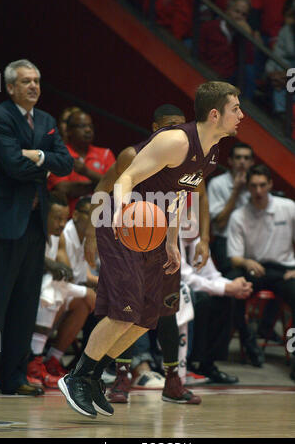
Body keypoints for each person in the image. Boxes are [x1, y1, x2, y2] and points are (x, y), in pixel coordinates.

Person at [58, 80, 244, 418]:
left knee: (147, 317)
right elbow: (126, 179)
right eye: (236, 108)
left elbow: (175, 195)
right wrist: (121, 215)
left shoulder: (212, 153)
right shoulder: (175, 140)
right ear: (215, 114)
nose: (241, 115)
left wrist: (171, 240)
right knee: (125, 309)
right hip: (122, 222)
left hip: (154, 229)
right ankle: (77, 377)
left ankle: (96, 376)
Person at [96, 104, 209, 405]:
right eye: (170, 126)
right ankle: (122, 375)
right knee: (127, 311)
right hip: (131, 241)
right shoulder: (132, 156)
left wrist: (205, 238)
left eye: (181, 126)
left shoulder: (186, 157)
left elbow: (198, 194)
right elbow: (104, 188)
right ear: (155, 128)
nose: (177, 132)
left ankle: (173, 381)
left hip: (164, 242)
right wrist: (90, 235)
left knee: (167, 310)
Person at [0, 59, 73, 396]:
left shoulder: (46, 120)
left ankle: (15, 377)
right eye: (26, 81)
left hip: (34, 226)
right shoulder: (1, 116)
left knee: (25, 304)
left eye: (37, 81)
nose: (33, 87)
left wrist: (38, 157)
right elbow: (11, 164)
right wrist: (45, 162)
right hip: (5, 224)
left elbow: (65, 163)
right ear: (10, 87)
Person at [227, 164, 295, 378]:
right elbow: (234, 256)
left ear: (270, 185)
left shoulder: (289, 207)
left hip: (285, 270)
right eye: (253, 186)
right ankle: (249, 344)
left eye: (262, 185)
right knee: (234, 288)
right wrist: (247, 263)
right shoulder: (239, 215)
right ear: (247, 187)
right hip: (255, 268)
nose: (258, 191)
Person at [27, 195, 97, 388]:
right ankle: (34, 360)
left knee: (82, 301)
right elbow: (65, 277)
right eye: (56, 218)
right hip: (31, 296)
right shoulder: (64, 235)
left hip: (51, 293)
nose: (60, 223)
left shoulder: (80, 238)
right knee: (56, 289)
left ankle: (52, 361)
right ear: (76, 215)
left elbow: (76, 276)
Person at [180, 229, 252, 383]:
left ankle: (208, 364)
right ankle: (189, 363)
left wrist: (233, 286)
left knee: (224, 299)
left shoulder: (194, 238)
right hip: (170, 290)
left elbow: (211, 274)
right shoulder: (170, 236)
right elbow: (184, 278)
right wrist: (226, 288)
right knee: (203, 299)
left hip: (193, 289)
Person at [48, 110, 116, 215]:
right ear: (69, 130)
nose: (88, 130)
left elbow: (115, 186)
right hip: (69, 220)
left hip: (101, 220)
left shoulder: (105, 154)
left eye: (90, 126)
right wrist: (99, 185)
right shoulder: (60, 153)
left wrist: (86, 172)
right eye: (82, 126)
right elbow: (62, 189)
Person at [208, 142, 254, 275]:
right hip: (225, 240)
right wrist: (236, 191)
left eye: (246, 158)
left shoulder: (257, 185)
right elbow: (220, 224)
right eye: (238, 157)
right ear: (230, 161)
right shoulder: (217, 184)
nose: (242, 162)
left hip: (253, 241)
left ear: (252, 162)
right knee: (237, 274)